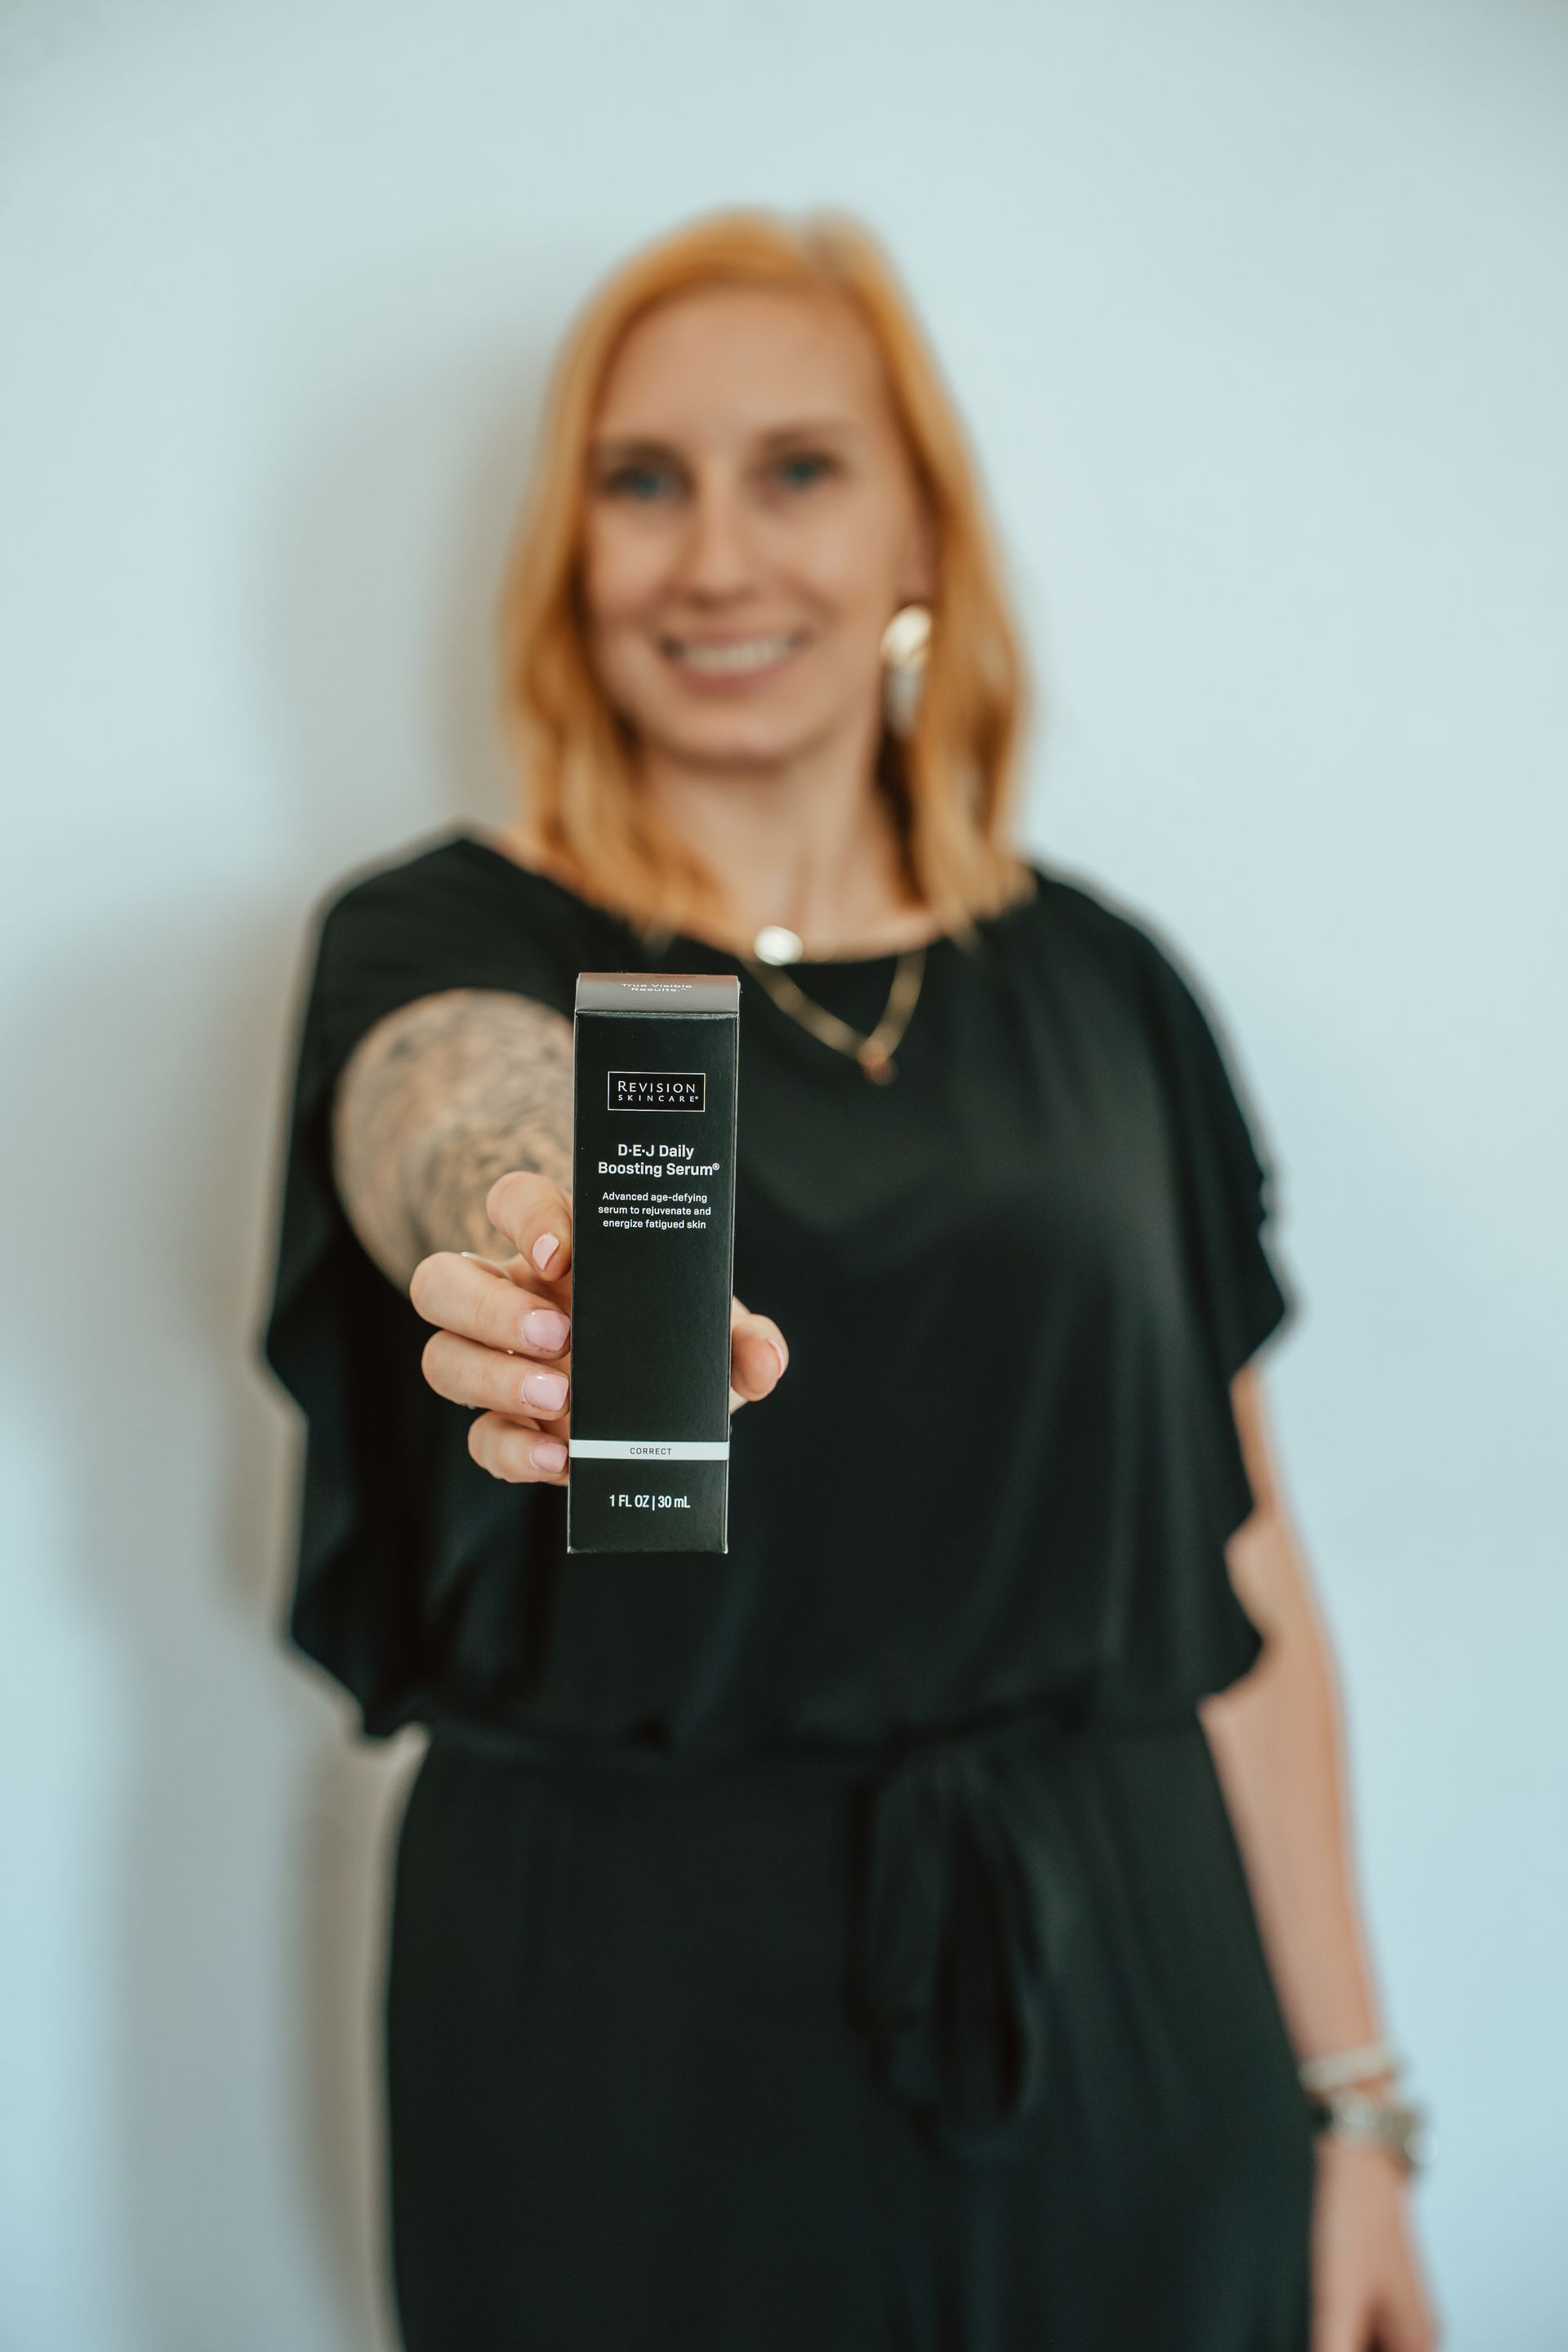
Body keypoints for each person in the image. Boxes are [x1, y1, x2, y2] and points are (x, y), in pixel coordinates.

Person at [257, 208, 1440, 2352]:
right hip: (622, 2031)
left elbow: (1246, 1578)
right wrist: (546, 1245)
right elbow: (455, 1104)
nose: (717, 555)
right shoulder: (448, 942)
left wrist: (1358, 2112)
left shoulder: (1103, 991)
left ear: (917, 531)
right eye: (644, 480)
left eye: (796, 468)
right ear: (571, 553)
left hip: (1131, 2000)